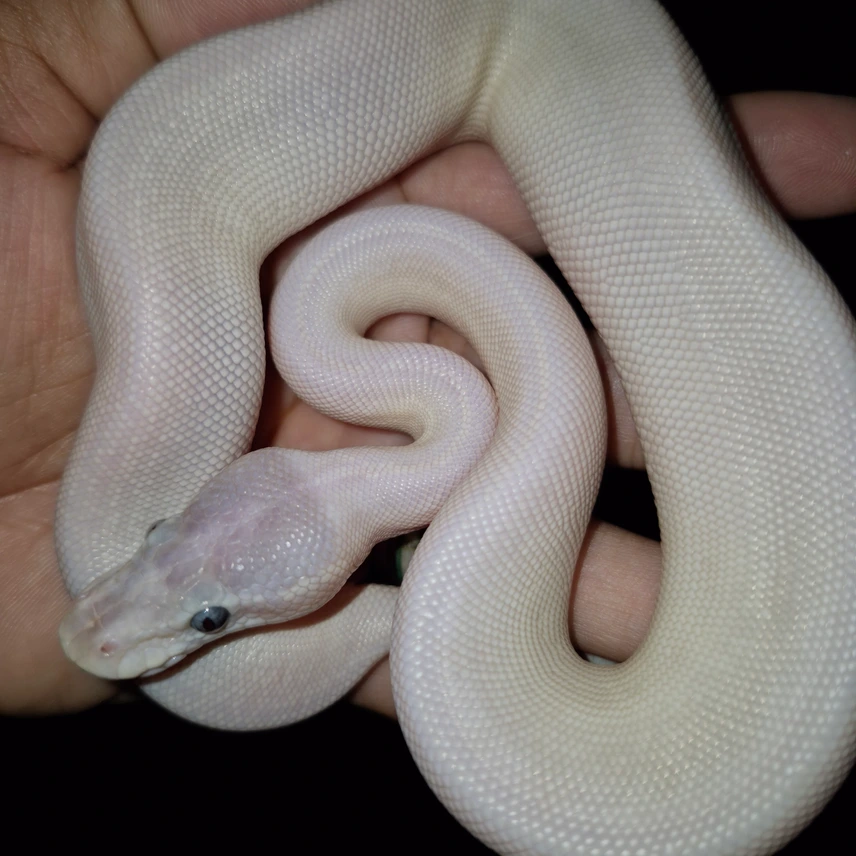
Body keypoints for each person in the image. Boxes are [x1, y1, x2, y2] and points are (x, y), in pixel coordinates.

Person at [1, 0, 854, 721]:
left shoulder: (360, 372)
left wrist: (400, 620)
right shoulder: (382, 378)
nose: (100, 618)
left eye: (212, 620)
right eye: (210, 616)